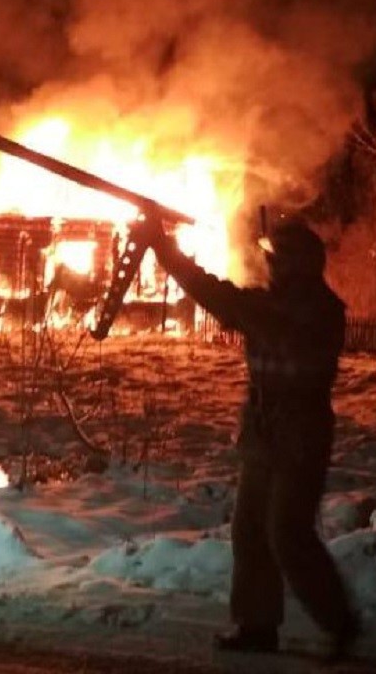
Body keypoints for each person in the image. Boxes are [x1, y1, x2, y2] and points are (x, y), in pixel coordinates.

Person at [139, 215, 361, 660]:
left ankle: (339, 623)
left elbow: (223, 298)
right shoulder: (273, 305)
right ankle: (257, 625)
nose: (270, 267)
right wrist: (164, 250)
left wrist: (165, 250)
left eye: (277, 260)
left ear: (296, 266)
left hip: (300, 434)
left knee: (287, 533)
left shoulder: (313, 310)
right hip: (265, 431)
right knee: (251, 530)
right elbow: (223, 298)